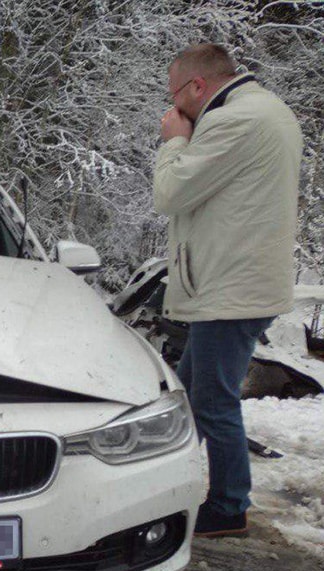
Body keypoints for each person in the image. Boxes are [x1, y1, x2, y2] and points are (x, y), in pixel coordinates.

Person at [154, 43, 302, 538]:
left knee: (211, 400)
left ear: (196, 87)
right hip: (242, 282)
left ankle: (228, 505)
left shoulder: (232, 121)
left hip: (231, 289)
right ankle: (163, 483)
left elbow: (171, 194)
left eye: (175, 95)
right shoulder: (268, 111)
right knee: (189, 394)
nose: (173, 108)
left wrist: (174, 140)